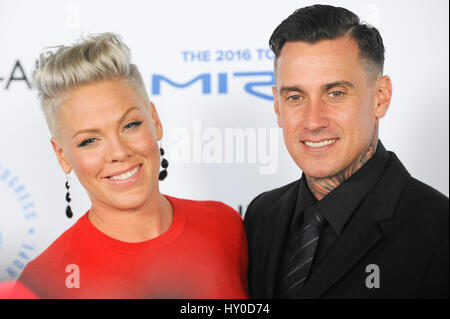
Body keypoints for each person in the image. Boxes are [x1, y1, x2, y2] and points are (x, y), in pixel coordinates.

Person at [11, 33, 248, 299]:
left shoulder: (224, 225)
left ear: (155, 121)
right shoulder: (43, 280)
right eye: (89, 140)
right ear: (62, 155)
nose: (119, 152)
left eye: (130, 125)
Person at [244, 4, 448, 299]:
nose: (313, 121)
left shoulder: (439, 231)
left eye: (336, 93)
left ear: (381, 97)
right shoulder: (261, 216)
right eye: (295, 96)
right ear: (278, 106)